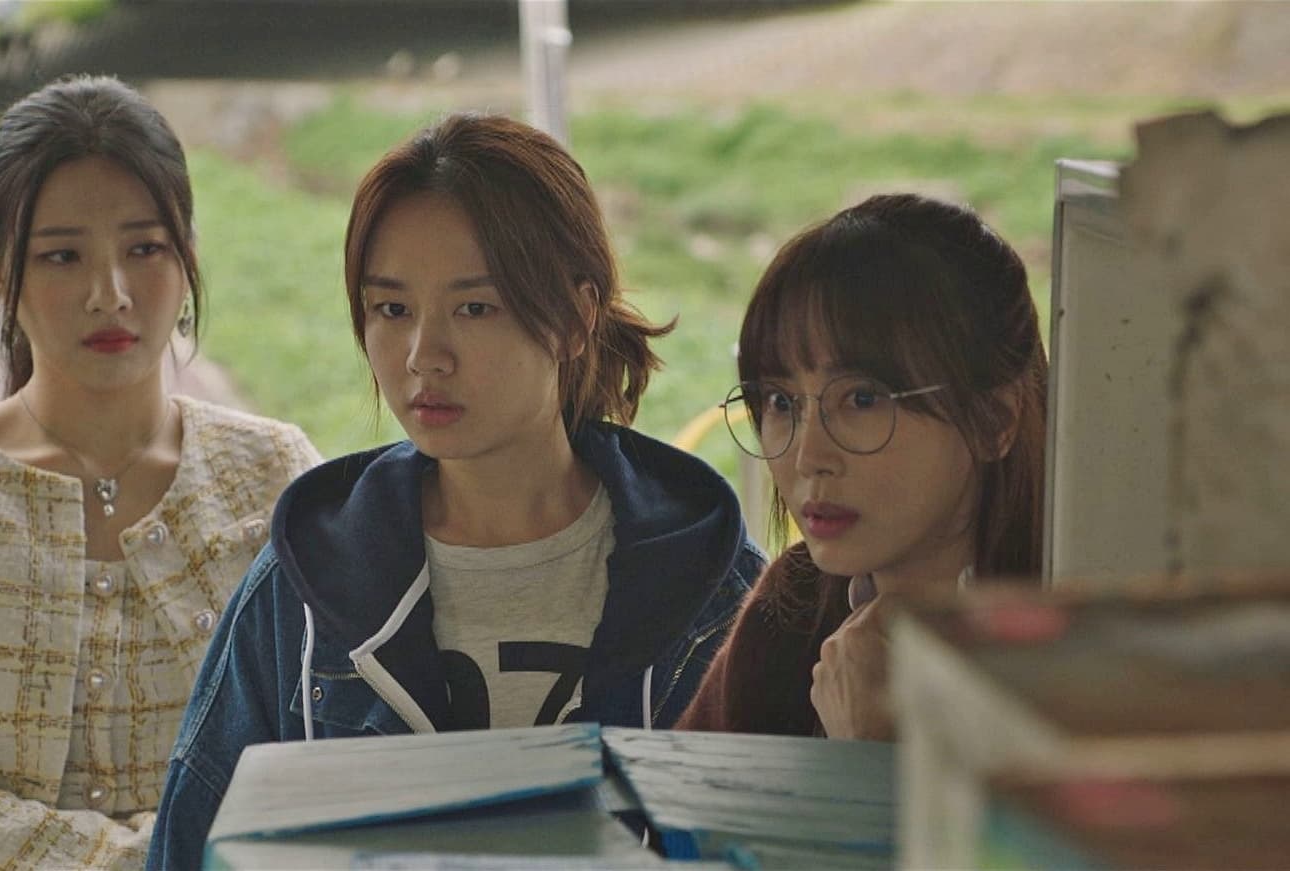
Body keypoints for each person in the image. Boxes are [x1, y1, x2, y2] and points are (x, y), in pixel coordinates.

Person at [147, 112, 763, 867]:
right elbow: (190, 845)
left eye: (475, 307)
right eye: (392, 309)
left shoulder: (712, 587)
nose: (423, 355)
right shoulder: (305, 588)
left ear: (575, 318)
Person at [0, 75, 320, 870]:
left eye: (144, 249)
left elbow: (318, 751)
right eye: (62, 256)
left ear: (188, 255)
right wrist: (152, 859)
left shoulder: (272, 477)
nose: (108, 294)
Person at [675, 193, 1046, 740]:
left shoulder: (1080, 647)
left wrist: (872, 755)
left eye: (863, 400)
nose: (809, 457)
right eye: (780, 402)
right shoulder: (792, 609)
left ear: (995, 419)